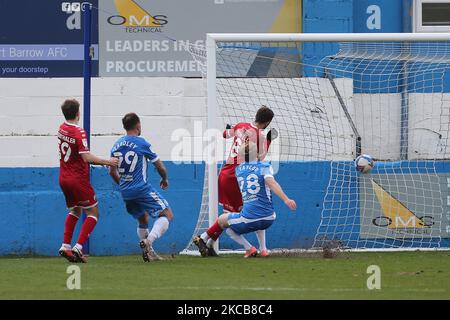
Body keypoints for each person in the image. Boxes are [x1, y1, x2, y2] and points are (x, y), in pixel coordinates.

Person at [194, 141, 296, 258]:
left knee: (224, 222)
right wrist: (286, 199)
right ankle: (263, 250)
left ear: (240, 156)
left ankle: (248, 248)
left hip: (250, 219)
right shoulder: (265, 166)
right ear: (257, 154)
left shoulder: (239, 170)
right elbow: (271, 183)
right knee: (258, 214)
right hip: (269, 218)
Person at [200, 106, 277, 255]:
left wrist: (230, 129)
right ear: (267, 122)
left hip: (225, 173)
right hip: (239, 175)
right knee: (249, 212)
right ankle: (254, 248)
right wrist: (269, 141)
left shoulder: (241, 125)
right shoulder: (259, 136)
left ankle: (208, 244)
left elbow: (224, 134)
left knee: (230, 214)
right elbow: (260, 158)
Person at [58, 99, 119, 263]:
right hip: (78, 179)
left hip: (63, 178)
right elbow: (86, 157)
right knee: (93, 213)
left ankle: (65, 246)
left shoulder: (61, 128)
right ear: (78, 113)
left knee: (75, 211)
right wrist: (108, 162)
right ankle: (78, 247)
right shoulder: (79, 132)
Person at [109, 113, 173, 262]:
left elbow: (112, 171)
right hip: (141, 188)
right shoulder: (142, 143)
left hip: (126, 192)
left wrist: (124, 185)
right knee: (167, 214)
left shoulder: (116, 145)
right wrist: (164, 178)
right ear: (138, 125)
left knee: (143, 219)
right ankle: (148, 241)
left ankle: (149, 253)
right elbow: (160, 166)